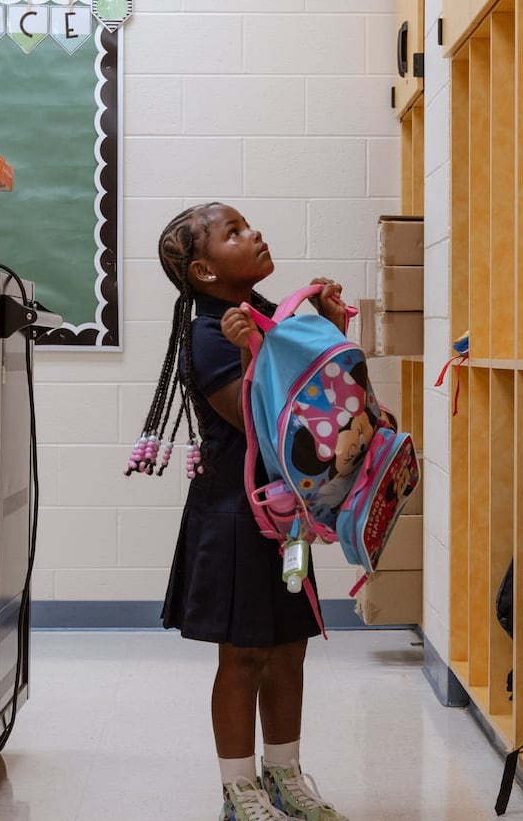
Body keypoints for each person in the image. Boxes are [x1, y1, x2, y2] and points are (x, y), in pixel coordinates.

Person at [127, 202, 350, 821]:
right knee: (244, 654)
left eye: (248, 224)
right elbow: (261, 422)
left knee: (290, 646)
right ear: (203, 270)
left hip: (286, 516)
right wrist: (253, 350)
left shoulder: (266, 317)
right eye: (234, 232)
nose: (254, 233)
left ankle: (284, 776)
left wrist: (330, 326)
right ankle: (239, 790)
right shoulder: (211, 332)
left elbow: (329, 397)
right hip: (236, 514)